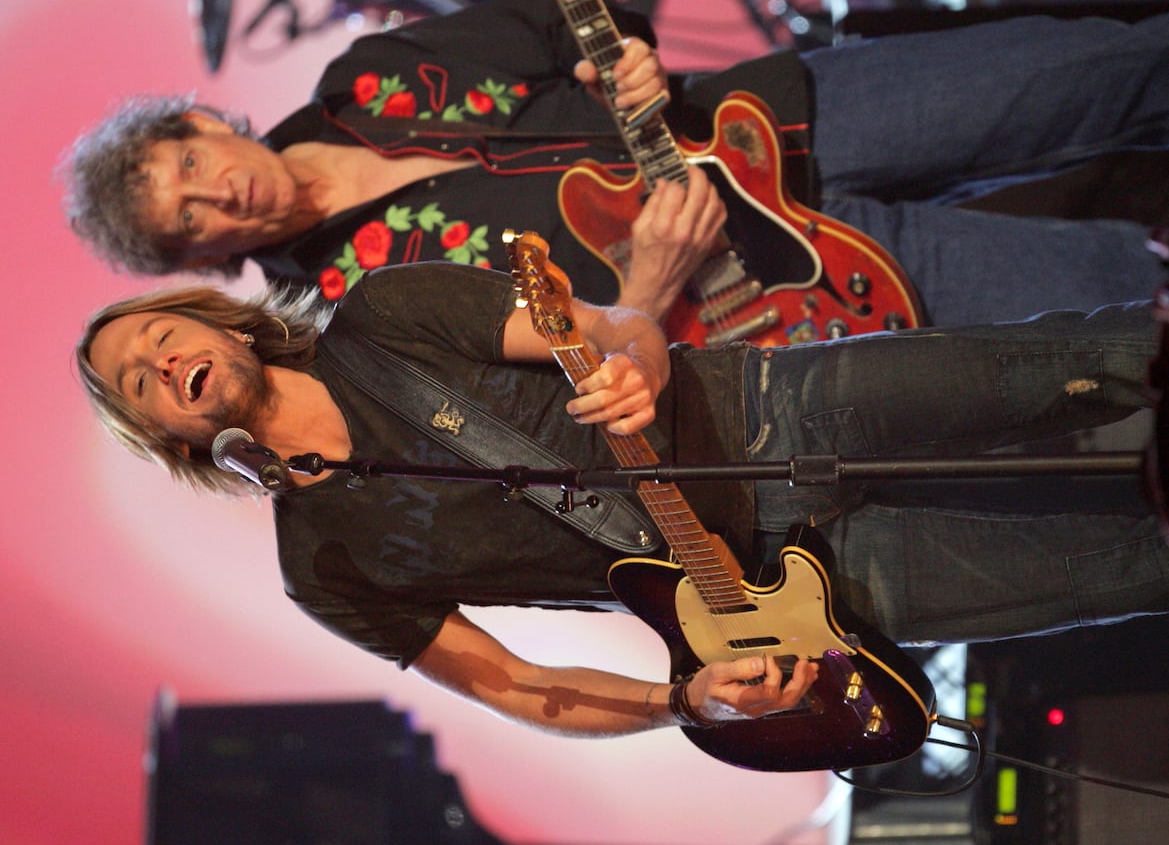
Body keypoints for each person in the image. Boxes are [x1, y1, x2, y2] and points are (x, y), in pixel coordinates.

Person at [75, 258, 1168, 738]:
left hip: (772, 410)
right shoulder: (323, 564)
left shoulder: (387, 314)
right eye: (139, 382)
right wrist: (681, 702)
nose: (163, 363)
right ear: (163, 431)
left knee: (1085, 362)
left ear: (215, 322)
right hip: (784, 604)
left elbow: (608, 326)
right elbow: (516, 684)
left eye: (162, 335)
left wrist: (633, 364)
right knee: (1120, 571)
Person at [63, 0, 1168, 332]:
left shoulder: (371, 76)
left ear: (202, 121)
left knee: (1108, 72)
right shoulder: (352, 312)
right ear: (197, 260)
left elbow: (568, 24)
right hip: (780, 270)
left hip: (782, 116)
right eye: (189, 219)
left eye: (191, 162)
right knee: (1115, 297)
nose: (219, 193)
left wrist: (619, 56)